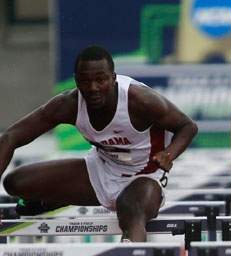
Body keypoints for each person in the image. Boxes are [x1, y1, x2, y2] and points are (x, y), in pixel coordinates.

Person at [0, 45, 198, 242]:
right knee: (15, 183)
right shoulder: (68, 105)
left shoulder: (139, 101)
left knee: (130, 210)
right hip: (101, 171)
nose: (93, 88)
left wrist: (169, 154)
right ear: (77, 81)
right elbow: (10, 138)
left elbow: (187, 126)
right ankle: (54, 200)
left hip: (145, 176)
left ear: (113, 78)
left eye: (100, 80)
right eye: (85, 81)